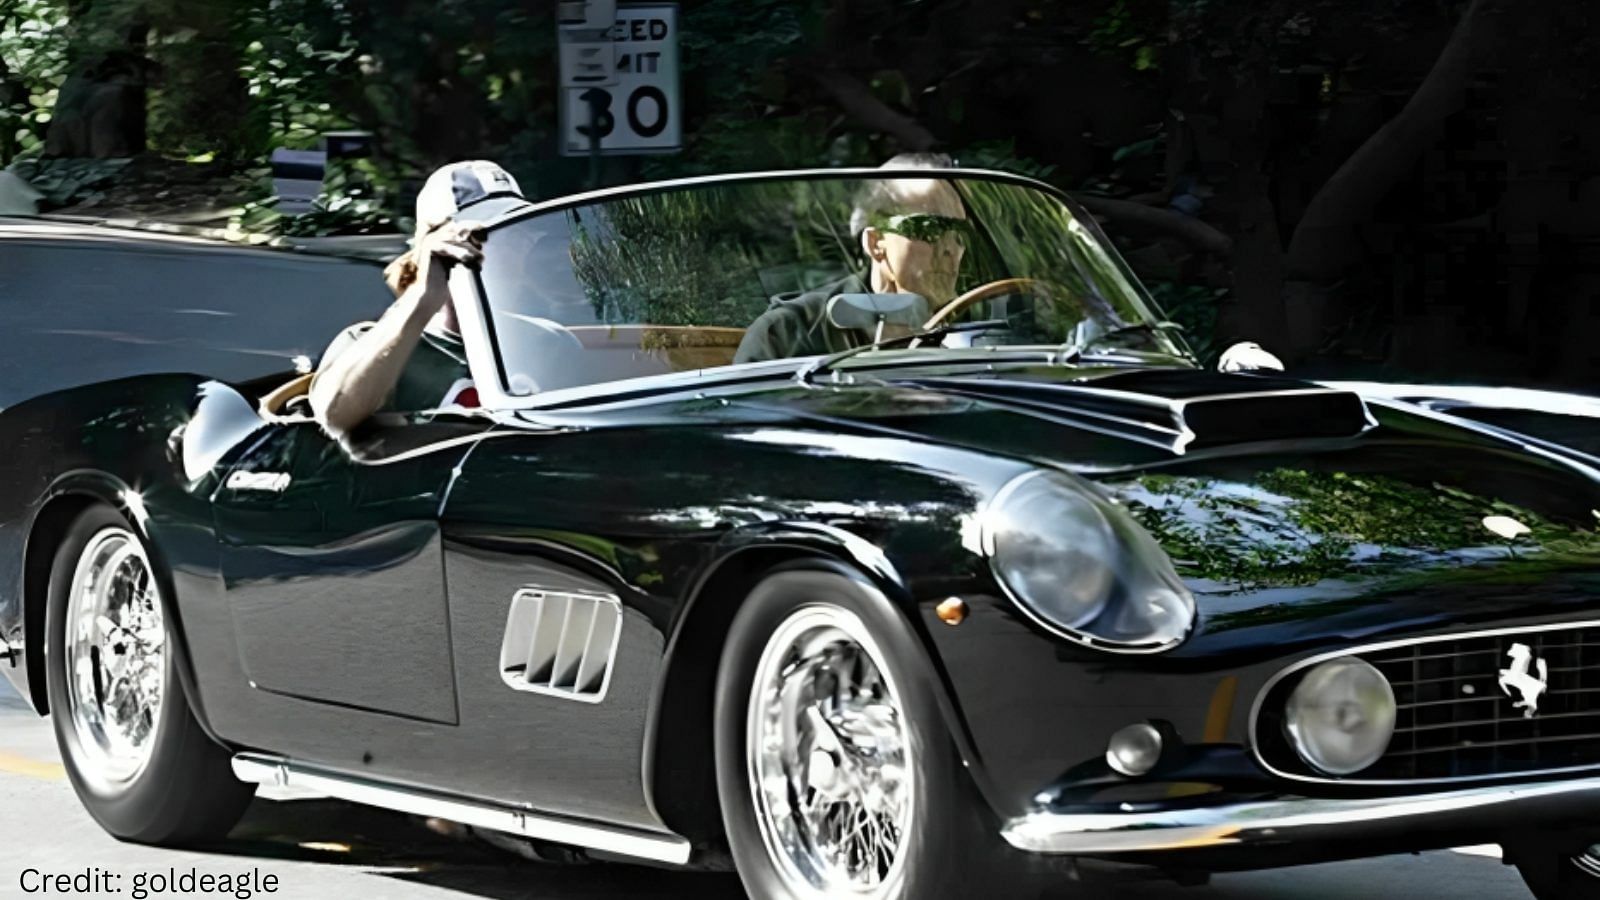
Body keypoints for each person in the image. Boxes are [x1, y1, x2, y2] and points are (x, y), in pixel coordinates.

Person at [309, 160, 522, 433]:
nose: (505, 249)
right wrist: (423, 296)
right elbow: (336, 418)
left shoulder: (548, 342)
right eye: (480, 236)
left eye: (513, 233)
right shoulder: (367, 343)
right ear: (433, 247)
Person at [733, 153, 969, 363]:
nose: (951, 249)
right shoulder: (787, 334)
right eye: (928, 229)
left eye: (959, 233)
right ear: (876, 244)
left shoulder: (981, 327)